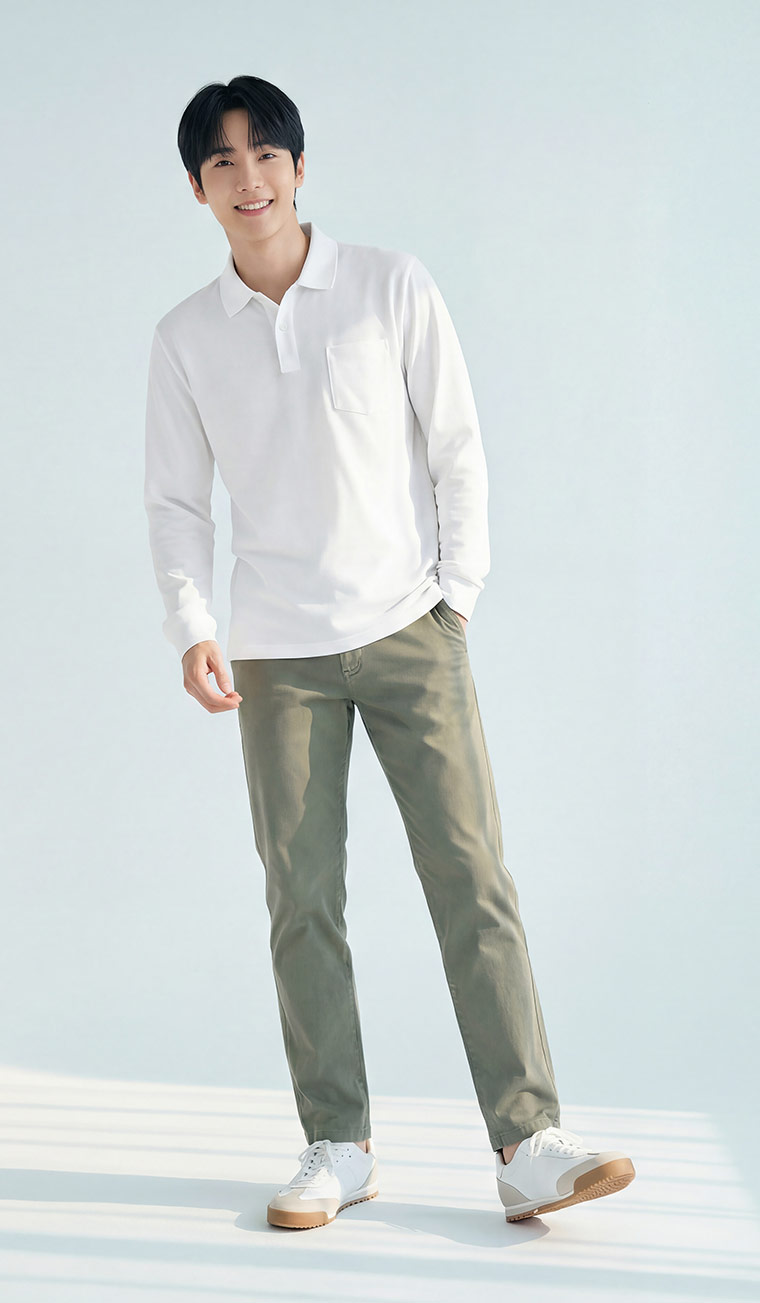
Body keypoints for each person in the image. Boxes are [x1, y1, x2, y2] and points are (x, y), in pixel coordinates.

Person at [143, 74, 636, 1231]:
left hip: (411, 630)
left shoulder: (387, 285)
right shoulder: (184, 338)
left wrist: (454, 599)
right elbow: (175, 502)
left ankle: (527, 1143)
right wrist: (193, 624)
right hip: (275, 655)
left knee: (472, 878)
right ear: (198, 189)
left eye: (266, 154)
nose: (249, 178)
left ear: (299, 166)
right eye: (222, 162)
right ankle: (337, 1144)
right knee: (301, 898)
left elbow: (455, 444)